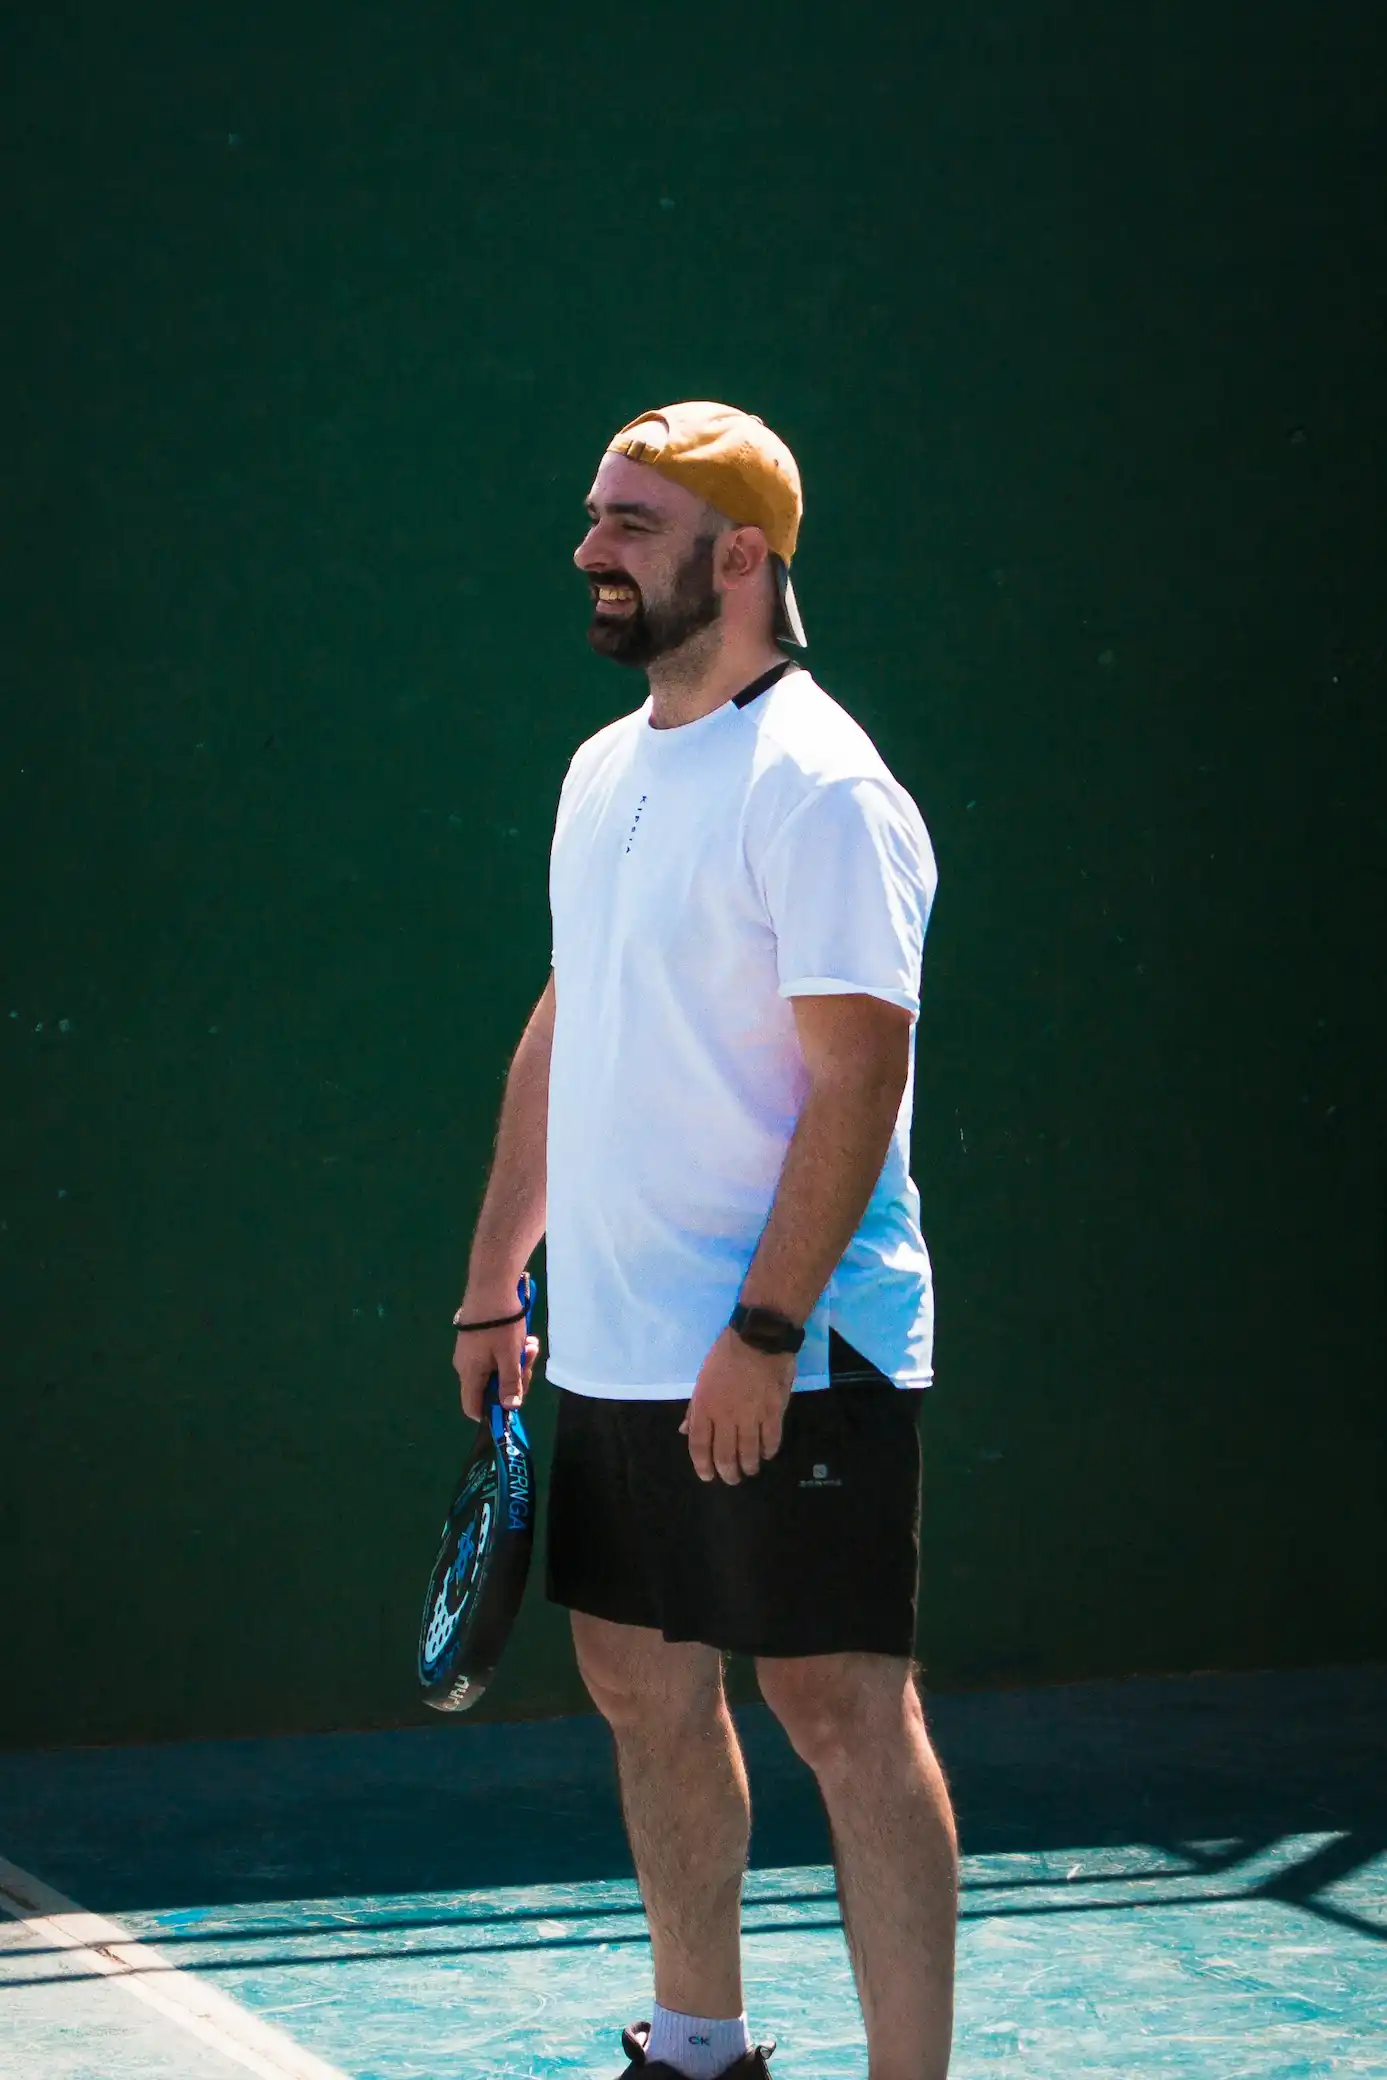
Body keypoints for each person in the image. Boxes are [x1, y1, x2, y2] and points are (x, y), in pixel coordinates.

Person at [451, 402, 957, 2080]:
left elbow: (857, 1078)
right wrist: (490, 1279)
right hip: (605, 1341)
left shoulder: (819, 784)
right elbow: (565, 1023)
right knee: (641, 1693)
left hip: (788, 1347)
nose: (590, 552)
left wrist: (761, 1329)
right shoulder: (604, 770)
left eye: (632, 526)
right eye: (595, 517)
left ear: (740, 559)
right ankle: (695, 2050)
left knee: (837, 1712)